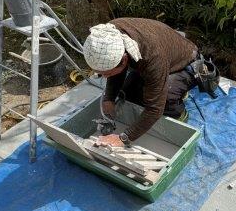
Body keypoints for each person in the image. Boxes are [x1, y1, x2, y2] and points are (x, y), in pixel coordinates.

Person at [82, 18, 199, 147]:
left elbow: (155, 109)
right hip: (156, 56)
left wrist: (124, 138)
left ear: (124, 59)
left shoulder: (153, 58)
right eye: (100, 73)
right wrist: (109, 98)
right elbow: (116, 70)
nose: (104, 77)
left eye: (108, 74)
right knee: (127, 94)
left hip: (184, 63)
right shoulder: (108, 35)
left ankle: (180, 110)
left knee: (165, 99)